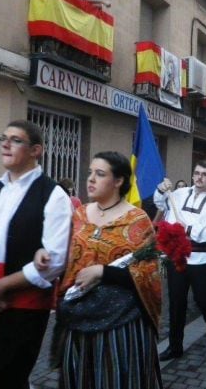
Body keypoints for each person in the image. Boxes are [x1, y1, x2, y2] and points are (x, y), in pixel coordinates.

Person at [0, 120, 72, 389]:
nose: (6, 144)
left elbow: (55, 260)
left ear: (36, 150)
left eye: (16, 140)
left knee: (9, 376)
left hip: (24, 306)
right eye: (4, 138)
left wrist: (0, 287)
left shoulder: (53, 194)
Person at [56, 151, 162, 388]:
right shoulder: (80, 214)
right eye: (90, 173)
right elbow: (66, 257)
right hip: (79, 320)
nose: (90, 179)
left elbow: (150, 272)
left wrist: (103, 272)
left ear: (119, 181)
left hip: (121, 326)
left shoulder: (137, 219)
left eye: (100, 174)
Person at [154, 161, 206, 361]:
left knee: (205, 302)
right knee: (176, 304)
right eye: (197, 173)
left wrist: (187, 229)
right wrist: (161, 190)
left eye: (205, 174)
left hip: (204, 260)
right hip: (177, 257)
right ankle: (175, 346)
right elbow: (160, 204)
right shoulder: (179, 193)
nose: (199, 177)